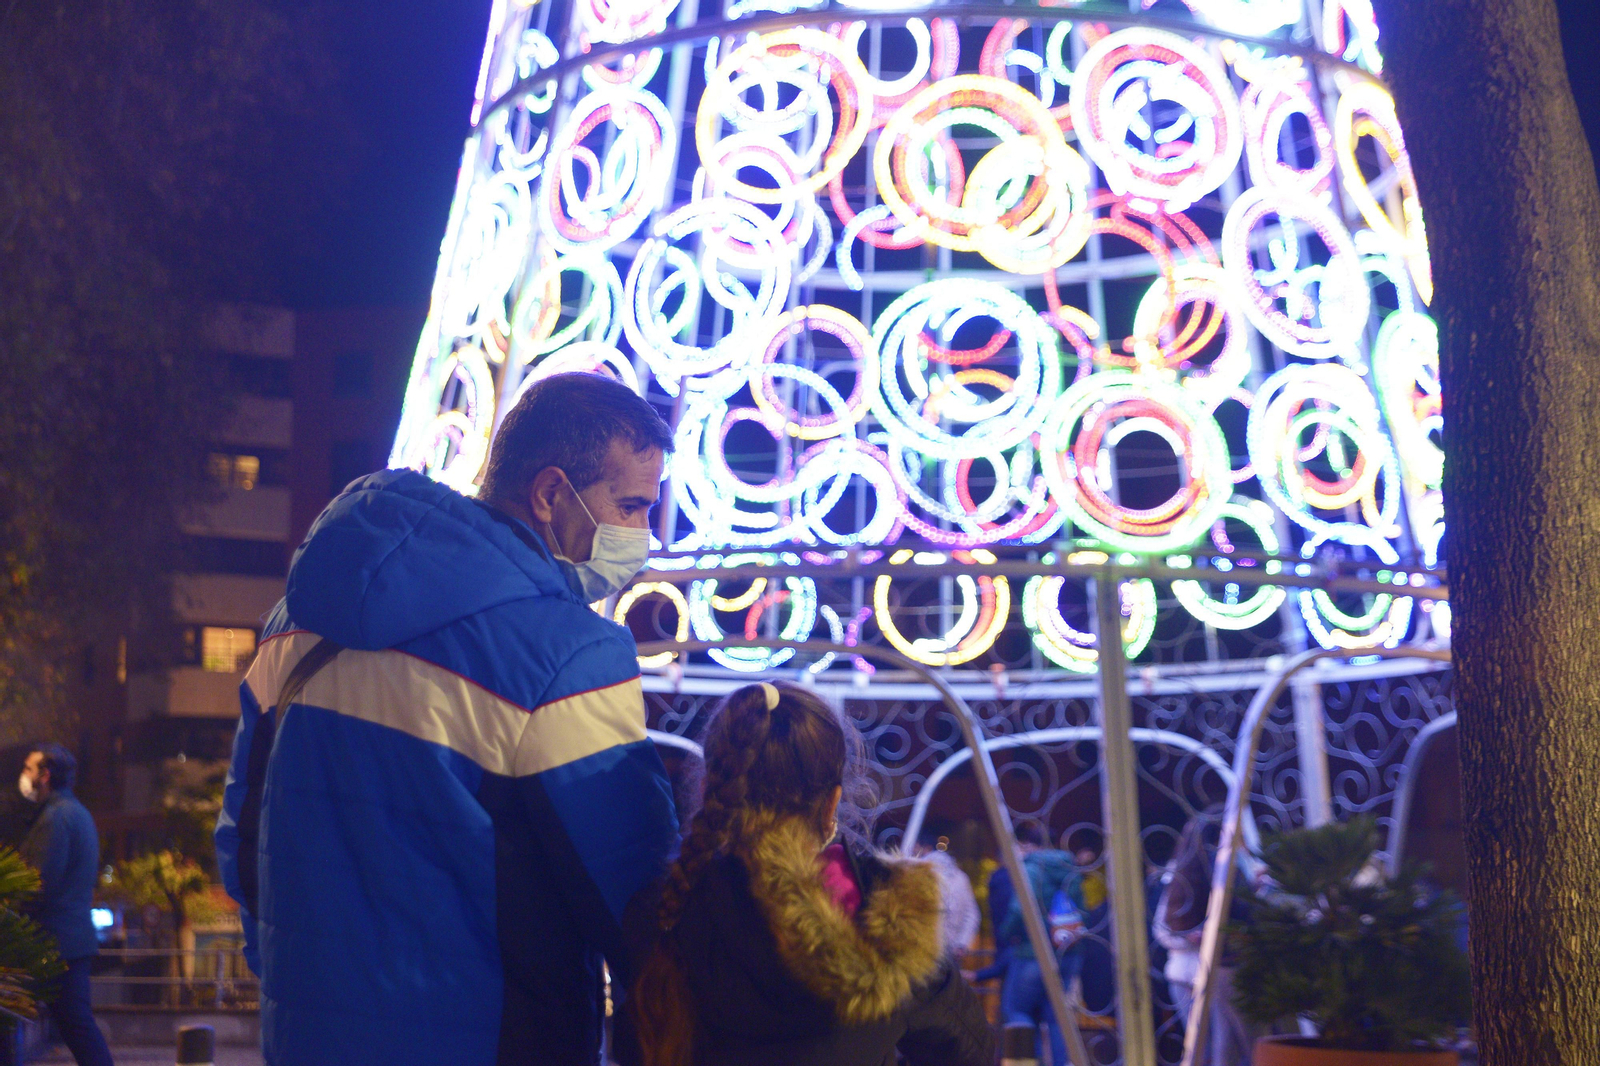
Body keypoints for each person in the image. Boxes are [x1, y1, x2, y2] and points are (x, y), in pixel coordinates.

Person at [215, 372, 681, 1066]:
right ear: (552, 494)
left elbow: (242, 839)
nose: (644, 534)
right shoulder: (567, 656)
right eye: (632, 505)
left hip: (307, 1037)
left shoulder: (293, 626)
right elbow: (635, 902)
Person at [624, 681, 993, 1066]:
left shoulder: (666, 908)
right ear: (832, 802)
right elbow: (972, 1049)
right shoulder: (889, 918)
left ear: (709, 789)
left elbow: (635, 1044)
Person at [18, 744, 113, 1066]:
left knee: (75, 1026)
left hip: (53, 944)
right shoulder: (77, 813)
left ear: (45, 776)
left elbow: (38, 883)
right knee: (76, 1026)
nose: (24, 776)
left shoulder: (56, 818)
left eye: (29, 769)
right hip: (70, 941)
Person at [1152, 812, 1256, 1066]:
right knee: (1218, 1046)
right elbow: (1164, 930)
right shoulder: (1184, 875)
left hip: (1209, 971)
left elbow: (1162, 930)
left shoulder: (1225, 872)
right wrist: (1194, 939)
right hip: (1204, 970)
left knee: (1214, 1046)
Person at [997, 831, 1087, 1066]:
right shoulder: (1069, 868)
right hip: (1068, 953)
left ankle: (1026, 1062)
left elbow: (1018, 911)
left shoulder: (1030, 869)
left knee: (1016, 1010)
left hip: (1032, 954)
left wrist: (1007, 934)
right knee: (1058, 1017)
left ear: (1025, 845)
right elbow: (1082, 910)